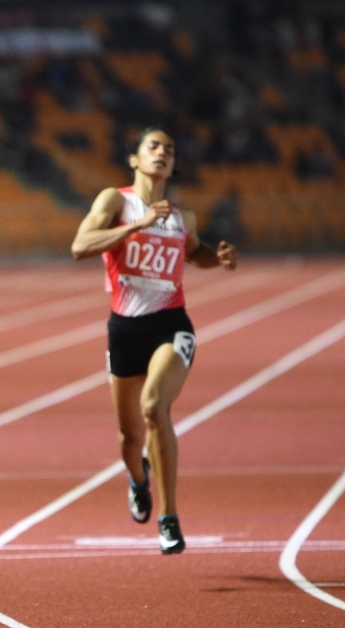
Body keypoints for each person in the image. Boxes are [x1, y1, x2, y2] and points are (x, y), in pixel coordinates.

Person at [71, 127, 238, 555]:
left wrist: (214, 259)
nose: (162, 153)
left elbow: (194, 250)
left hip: (171, 324)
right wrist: (137, 225)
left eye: (169, 148)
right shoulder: (115, 200)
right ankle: (138, 479)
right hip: (125, 329)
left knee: (153, 406)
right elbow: (80, 246)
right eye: (154, 147)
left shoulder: (184, 217)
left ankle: (169, 516)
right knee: (129, 439)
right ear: (135, 159)